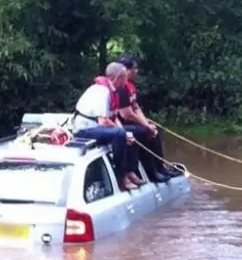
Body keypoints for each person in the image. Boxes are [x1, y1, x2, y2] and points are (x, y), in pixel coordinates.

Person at [71, 62, 145, 190]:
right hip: (84, 130)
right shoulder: (103, 92)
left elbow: (113, 118)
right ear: (118, 78)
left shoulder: (111, 90)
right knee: (120, 135)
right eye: (124, 77)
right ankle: (121, 177)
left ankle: (130, 170)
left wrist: (127, 133)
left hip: (96, 127)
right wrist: (123, 133)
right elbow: (103, 122)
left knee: (135, 131)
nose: (126, 80)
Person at [116, 54, 181, 180]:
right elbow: (127, 114)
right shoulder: (121, 87)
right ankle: (151, 173)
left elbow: (136, 108)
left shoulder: (131, 86)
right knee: (144, 133)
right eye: (134, 68)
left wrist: (146, 123)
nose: (137, 71)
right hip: (122, 123)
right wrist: (146, 127)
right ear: (126, 70)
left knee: (154, 130)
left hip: (130, 120)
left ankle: (160, 166)